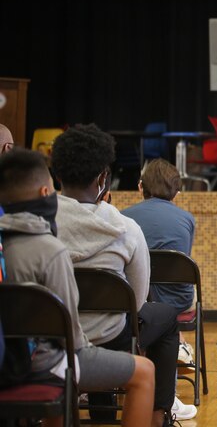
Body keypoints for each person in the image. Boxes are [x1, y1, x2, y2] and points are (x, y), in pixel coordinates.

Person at [0, 148, 155, 427]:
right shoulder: (49, 250)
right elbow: (68, 335)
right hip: (45, 362)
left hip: (8, 358)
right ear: (45, 191)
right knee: (145, 371)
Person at [51, 123, 194, 425]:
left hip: (52, 338)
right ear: (104, 178)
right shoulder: (126, 229)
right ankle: (159, 414)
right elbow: (138, 300)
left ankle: (101, 412)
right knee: (164, 318)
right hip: (111, 338)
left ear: (58, 175)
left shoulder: (41, 222)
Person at [121, 158, 197, 369]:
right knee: (190, 280)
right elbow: (182, 261)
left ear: (140, 187)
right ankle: (179, 344)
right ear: (175, 193)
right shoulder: (187, 219)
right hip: (177, 299)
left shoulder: (123, 217)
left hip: (135, 300)